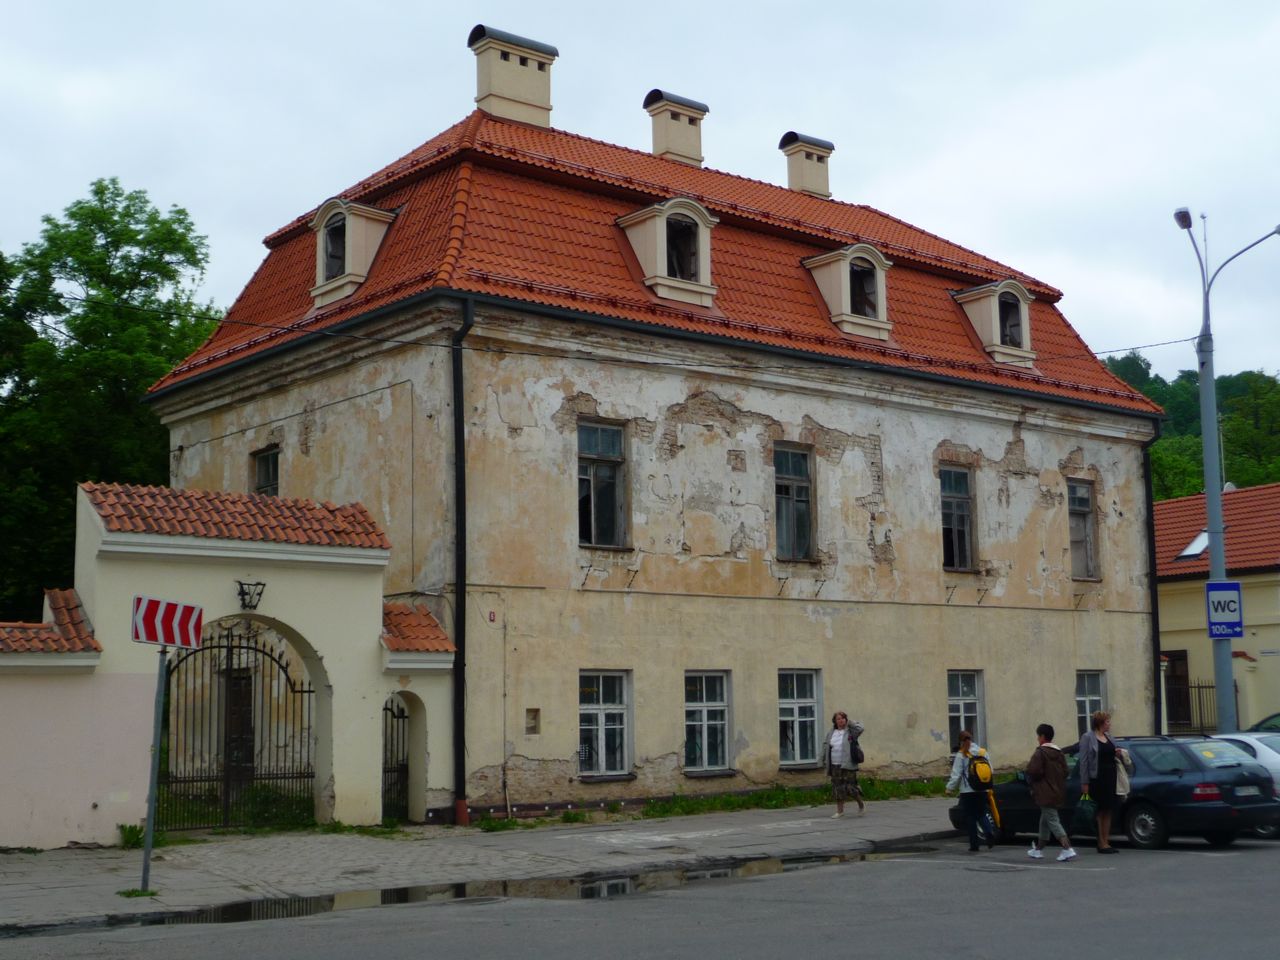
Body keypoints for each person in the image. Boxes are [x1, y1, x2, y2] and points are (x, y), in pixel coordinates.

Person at [1025, 722, 1077, 862]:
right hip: (1057, 791)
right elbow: (1066, 772)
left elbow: (1033, 771)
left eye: (1038, 736)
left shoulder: (1040, 752)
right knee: (1045, 820)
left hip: (1044, 792)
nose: (1037, 739)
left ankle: (1067, 848)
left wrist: (1034, 781)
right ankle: (1038, 850)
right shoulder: (1059, 753)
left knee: (1053, 820)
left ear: (1042, 737)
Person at [1077, 710, 1119, 853]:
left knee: (1108, 810)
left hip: (1111, 778)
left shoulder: (1109, 737)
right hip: (1097, 779)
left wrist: (1118, 753)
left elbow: (1113, 753)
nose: (1110, 724)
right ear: (1100, 723)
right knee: (1100, 811)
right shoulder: (1088, 737)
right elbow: (1084, 762)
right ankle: (1101, 843)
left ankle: (1107, 841)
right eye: (1107, 721)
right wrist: (1085, 783)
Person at [945, 730, 993, 851]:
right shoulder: (983, 752)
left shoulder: (961, 755)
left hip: (967, 791)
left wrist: (949, 788)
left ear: (961, 742)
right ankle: (988, 832)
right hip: (982, 789)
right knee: (981, 814)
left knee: (970, 817)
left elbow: (956, 775)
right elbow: (990, 770)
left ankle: (974, 845)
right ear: (972, 739)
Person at [822, 711, 866, 818]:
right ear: (835, 721)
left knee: (851, 787)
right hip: (835, 764)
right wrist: (823, 759)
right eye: (838, 719)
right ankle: (840, 811)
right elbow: (826, 746)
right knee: (837, 788)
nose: (841, 720)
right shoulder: (831, 733)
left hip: (848, 764)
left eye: (843, 718)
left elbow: (860, 728)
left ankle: (861, 804)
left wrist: (850, 723)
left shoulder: (851, 732)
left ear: (846, 720)